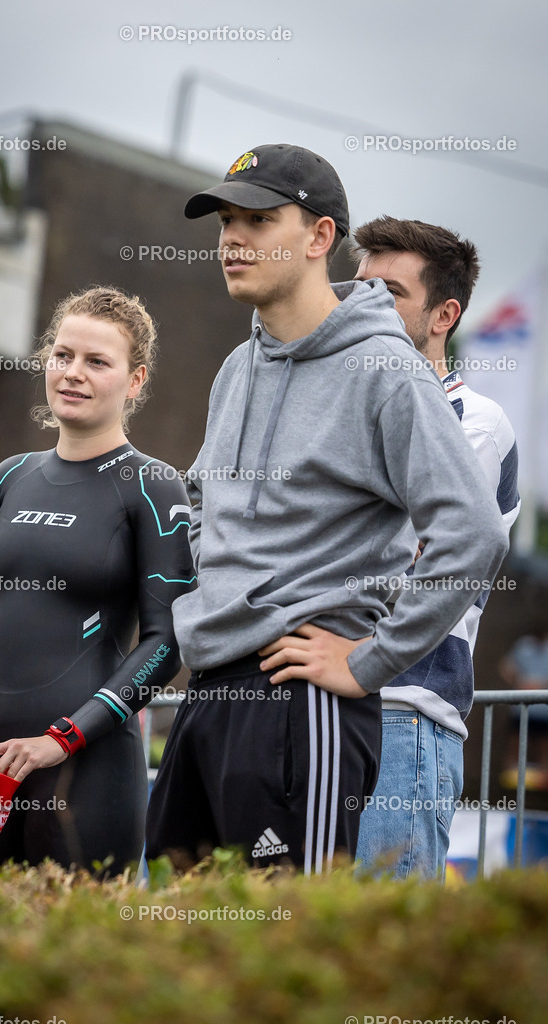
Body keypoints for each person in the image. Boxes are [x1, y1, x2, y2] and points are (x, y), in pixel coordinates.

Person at [144, 144, 508, 874]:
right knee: (183, 946)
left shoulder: (386, 371)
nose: (232, 240)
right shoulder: (235, 366)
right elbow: (200, 502)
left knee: (283, 952)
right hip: (208, 688)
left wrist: (369, 660)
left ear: (318, 238)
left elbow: (469, 532)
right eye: (225, 222)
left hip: (297, 698)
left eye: (256, 219)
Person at [0, 286, 195, 874]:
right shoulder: (11, 476)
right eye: (62, 355)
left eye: (97, 361)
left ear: (135, 381)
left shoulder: (152, 484)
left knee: (69, 958)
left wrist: (60, 739)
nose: (73, 373)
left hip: (83, 768)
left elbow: (167, 642)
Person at [352, 216, 520, 878]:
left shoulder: (475, 421)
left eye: (389, 291)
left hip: (404, 714)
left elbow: (407, 555)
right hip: (313, 708)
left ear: (443, 314)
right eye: (358, 288)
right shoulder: (341, 409)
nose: (365, 304)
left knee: (376, 941)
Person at [499, 629, 548, 791]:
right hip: (521, 708)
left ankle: (543, 779)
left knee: (543, 744)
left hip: (543, 710)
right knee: (517, 741)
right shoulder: (524, 645)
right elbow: (506, 667)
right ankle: (510, 777)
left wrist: (540, 685)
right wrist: (519, 682)